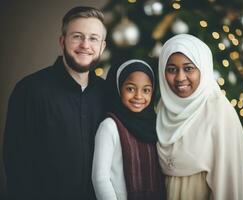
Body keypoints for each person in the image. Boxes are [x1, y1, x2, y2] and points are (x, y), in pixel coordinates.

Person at [4, 6, 106, 200]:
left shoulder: (107, 93)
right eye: (77, 36)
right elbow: (17, 163)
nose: (85, 44)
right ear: (62, 41)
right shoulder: (29, 90)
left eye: (93, 38)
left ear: (102, 46)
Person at [156, 34, 243, 200]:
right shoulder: (162, 107)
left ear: (203, 68)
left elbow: (228, 183)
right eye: (172, 69)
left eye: (188, 68)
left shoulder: (219, 112)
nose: (180, 78)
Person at [92, 59, 166, 200]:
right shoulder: (110, 126)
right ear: (119, 88)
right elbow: (100, 178)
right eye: (130, 89)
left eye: (146, 90)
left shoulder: (154, 125)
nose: (138, 96)